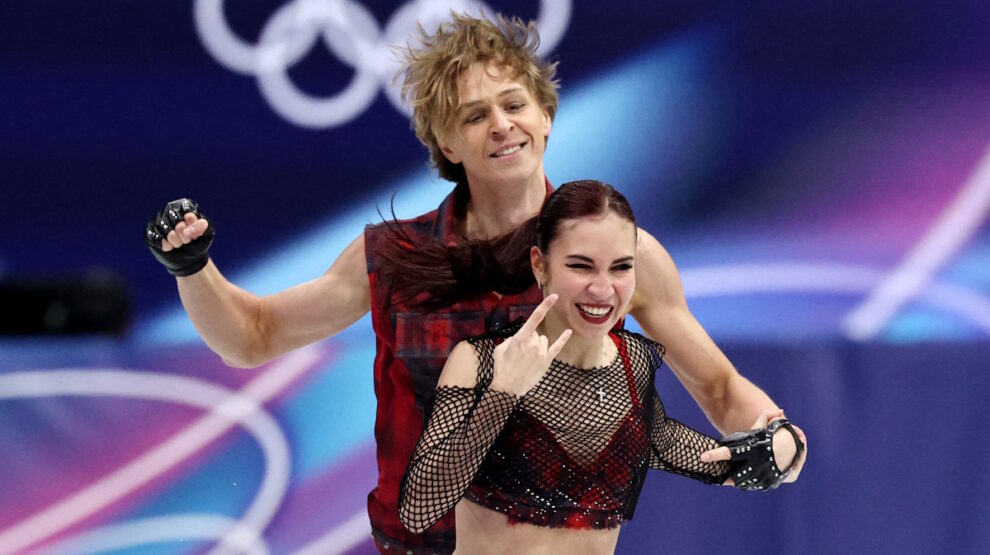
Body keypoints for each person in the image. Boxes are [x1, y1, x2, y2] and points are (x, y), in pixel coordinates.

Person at [144, 12, 807, 555]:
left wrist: (774, 434)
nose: (502, 125)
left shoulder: (620, 255)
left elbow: (720, 389)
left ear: (546, 117)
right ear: (447, 144)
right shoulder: (394, 258)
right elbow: (252, 335)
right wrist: (192, 268)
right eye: (474, 115)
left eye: (515, 104)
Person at [396, 180, 803, 554]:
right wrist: (503, 395)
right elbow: (418, 508)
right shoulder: (482, 361)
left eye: (621, 267)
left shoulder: (631, 369)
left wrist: (782, 446)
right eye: (581, 266)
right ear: (540, 265)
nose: (603, 289)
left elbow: (714, 460)